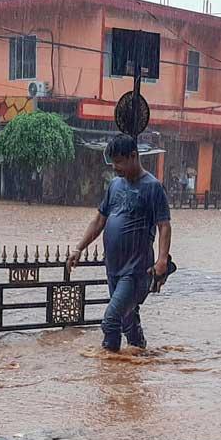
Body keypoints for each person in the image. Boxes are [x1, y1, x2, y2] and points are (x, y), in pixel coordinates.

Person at [68, 134, 172, 352]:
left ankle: (108, 370)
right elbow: (99, 220)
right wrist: (79, 248)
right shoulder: (115, 185)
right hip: (114, 266)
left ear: (134, 156)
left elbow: (164, 226)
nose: (115, 167)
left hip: (136, 270)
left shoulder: (153, 188)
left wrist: (162, 259)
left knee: (111, 319)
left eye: (119, 161)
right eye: (113, 161)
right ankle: (136, 361)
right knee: (127, 319)